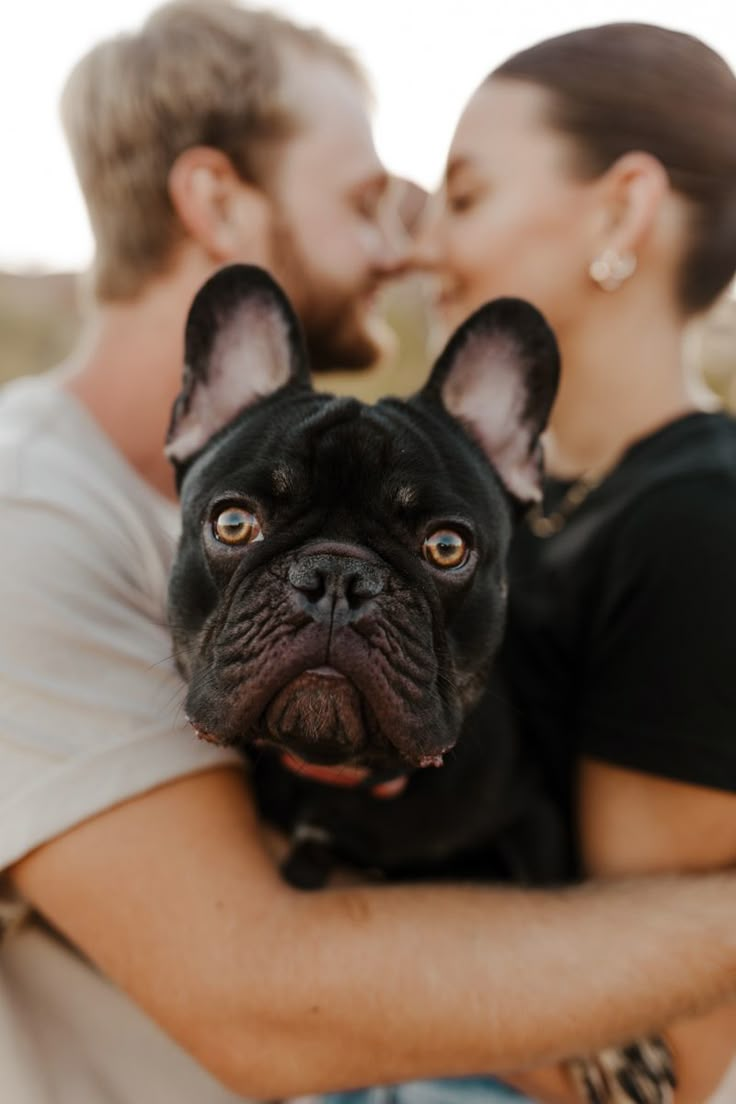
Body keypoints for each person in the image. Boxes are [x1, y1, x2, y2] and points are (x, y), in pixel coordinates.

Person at [1, 4, 736, 1101]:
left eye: (456, 200)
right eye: (366, 203)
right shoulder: (32, 523)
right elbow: (264, 995)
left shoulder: (659, 511)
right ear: (215, 201)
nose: (408, 246)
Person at [357, 20, 735, 1104]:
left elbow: (666, 1056)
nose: (424, 251)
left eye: (466, 199)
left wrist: (311, 969)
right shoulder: (503, 505)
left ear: (622, 208)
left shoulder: (698, 524)